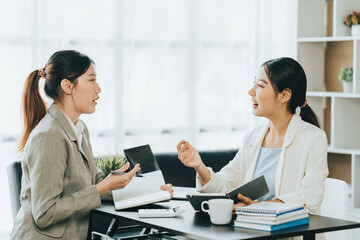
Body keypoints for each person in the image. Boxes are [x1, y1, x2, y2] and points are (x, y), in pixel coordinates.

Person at [11, 50, 172, 240]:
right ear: (67, 86)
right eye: (91, 80)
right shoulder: (49, 137)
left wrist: (148, 191)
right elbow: (45, 213)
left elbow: (94, 185)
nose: (99, 89)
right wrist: (101, 188)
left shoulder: (79, 129)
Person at [177, 57, 328, 214]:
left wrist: (257, 207)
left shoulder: (313, 138)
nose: (251, 91)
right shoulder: (253, 137)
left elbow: (311, 198)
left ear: (284, 95)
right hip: (249, 228)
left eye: (261, 85)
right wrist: (198, 165)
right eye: (253, 83)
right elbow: (226, 185)